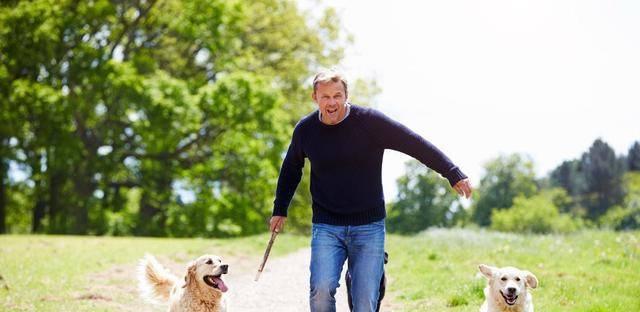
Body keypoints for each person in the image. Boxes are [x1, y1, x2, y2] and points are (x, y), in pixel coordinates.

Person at [269, 69, 472, 312]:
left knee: (365, 301)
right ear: (315, 98)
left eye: (337, 95)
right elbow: (291, 169)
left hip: (369, 225)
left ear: (346, 95)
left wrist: (452, 172)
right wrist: (280, 209)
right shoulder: (306, 130)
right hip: (327, 224)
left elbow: (413, 143)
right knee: (321, 289)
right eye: (325, 97)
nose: (332, 102)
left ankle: (367, 273)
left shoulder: (370, 122)